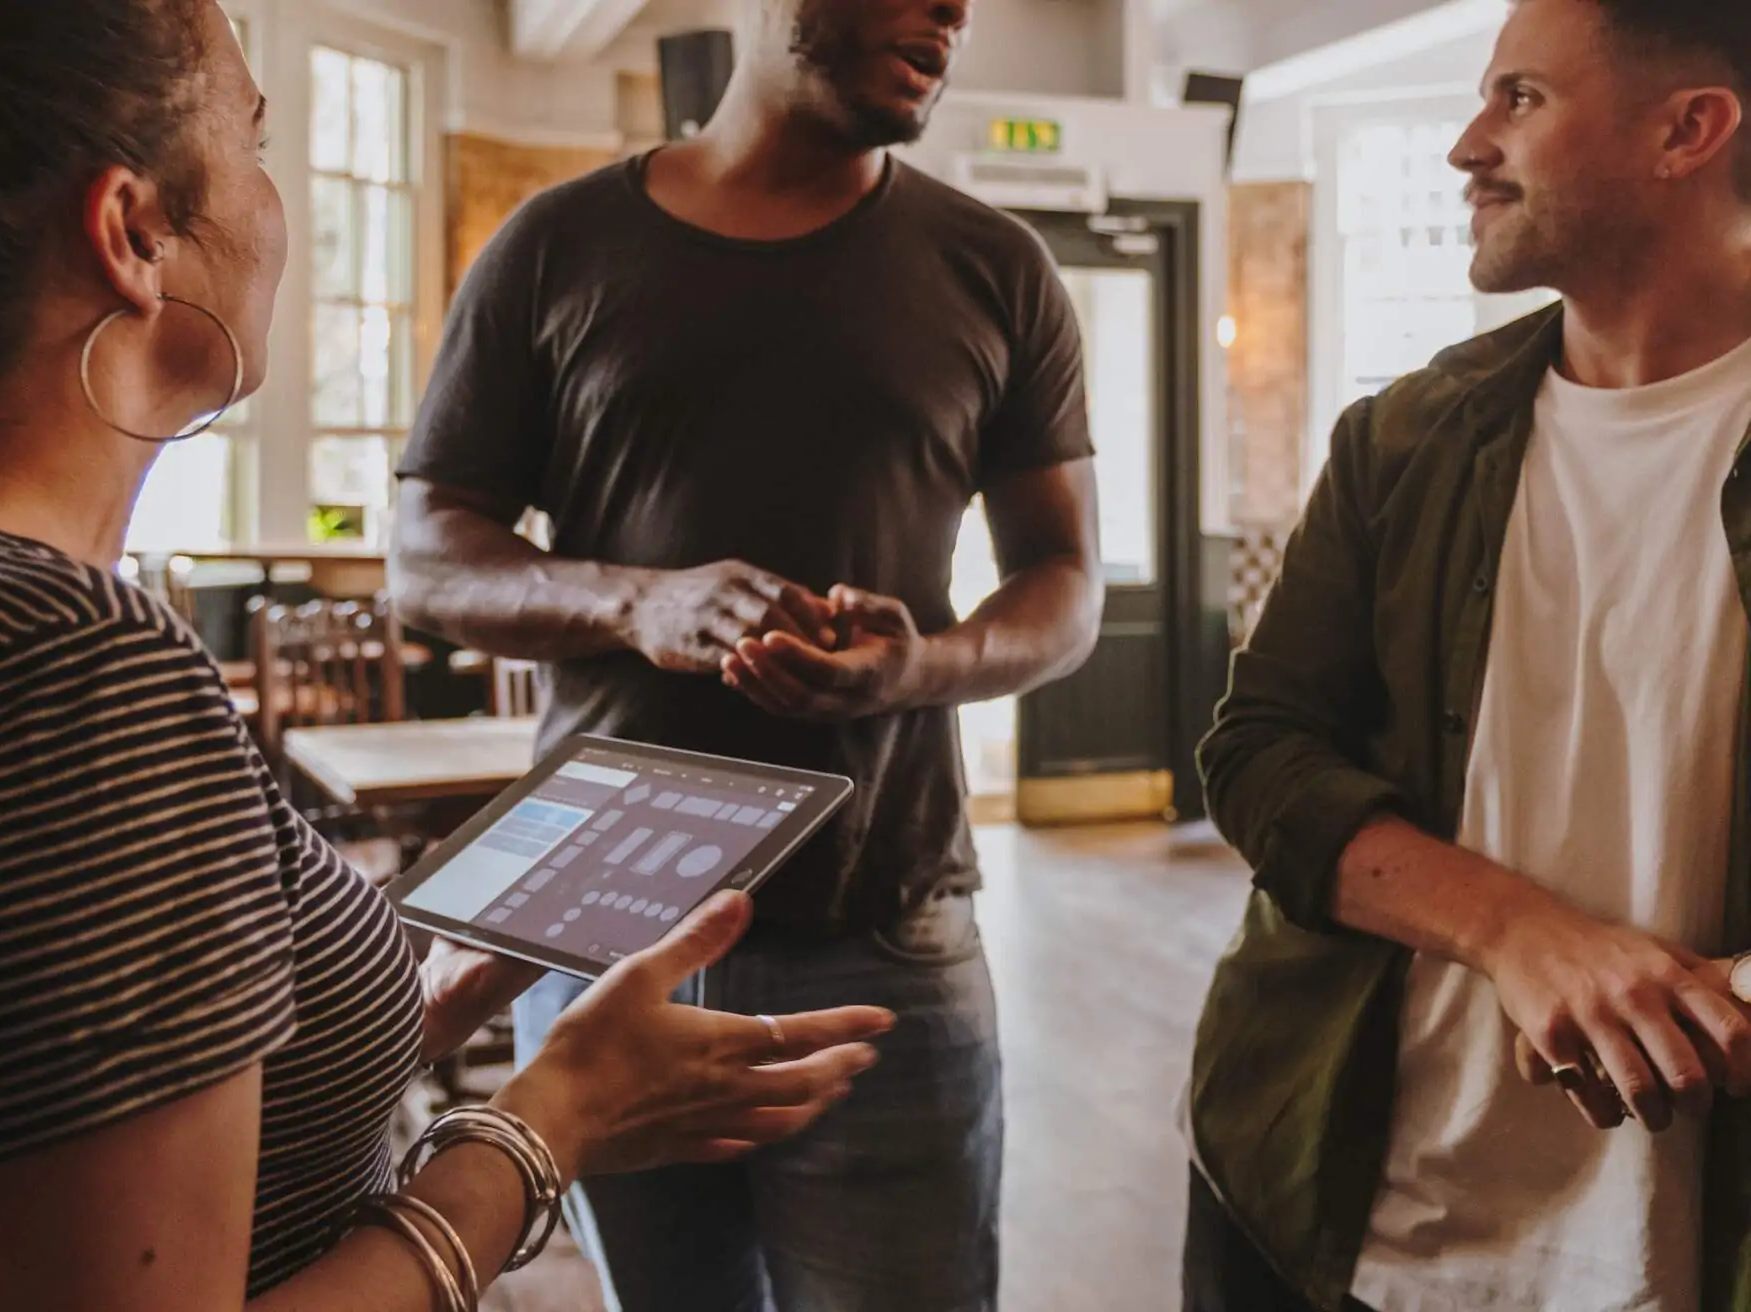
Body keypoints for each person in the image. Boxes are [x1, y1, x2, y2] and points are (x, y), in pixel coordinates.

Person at [0, 3, 897, 1310]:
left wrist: (426, 991)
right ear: (132, 234)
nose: (276, 207)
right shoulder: (63, 683)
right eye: (256, 141)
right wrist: (547, 1122)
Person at [388, 0, 1104, 1306]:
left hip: (886, 938)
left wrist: (921, 668)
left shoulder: (996, 267)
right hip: (604, 940)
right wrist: (630, 604)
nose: (953, 9)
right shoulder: (556, 246)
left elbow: (1066, 584)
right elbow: (425, 560)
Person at [1182, 0, 1751, 1309]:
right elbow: (1258, 753)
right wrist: (1518, 932)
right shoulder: (1404, 438)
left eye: (1521, 100)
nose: (1464, 145)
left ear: (1690, 130)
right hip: (1345, 1210)